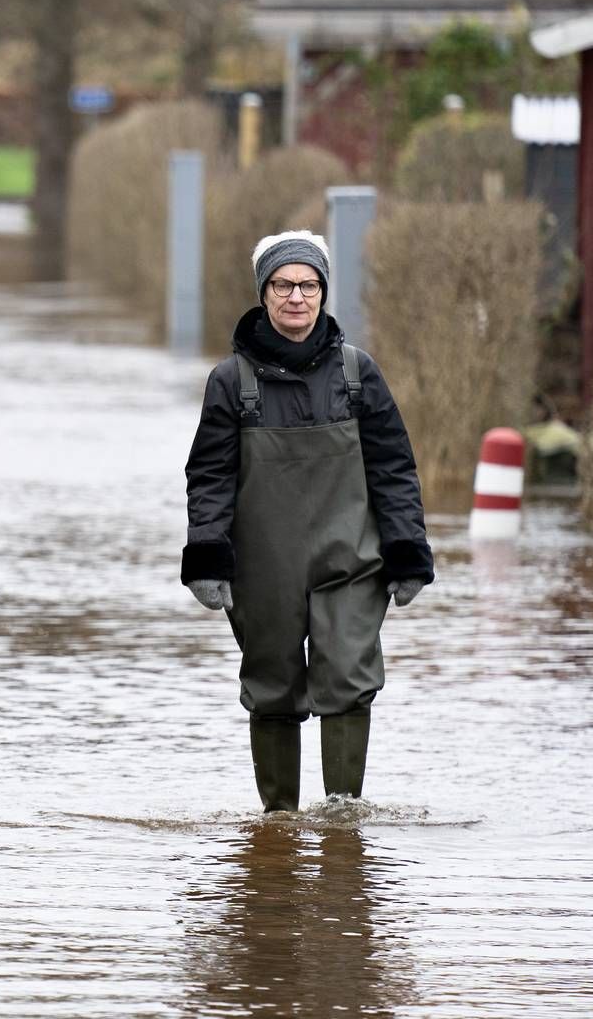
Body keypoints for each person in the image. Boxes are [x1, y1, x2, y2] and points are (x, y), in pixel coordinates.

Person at [181, 230, 433, 812]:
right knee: (272, 688)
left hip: (351, 560)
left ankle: (343, 826)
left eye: (309, 285)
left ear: (323, 292)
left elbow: (394, 467)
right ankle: (279, 831)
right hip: (263, 566)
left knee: (348, 679)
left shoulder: (357, 375)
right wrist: (206, 555)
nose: (297, 296)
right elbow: (209, 478)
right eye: (284, 285)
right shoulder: (230, 382)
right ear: (264, 293)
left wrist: (408, 550)